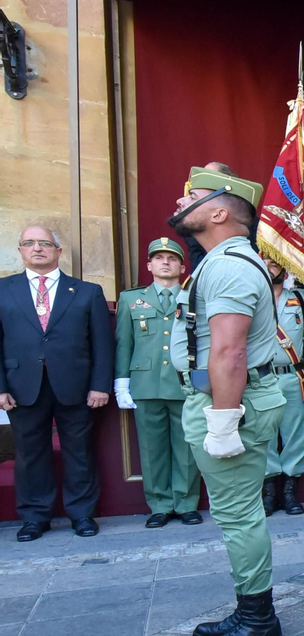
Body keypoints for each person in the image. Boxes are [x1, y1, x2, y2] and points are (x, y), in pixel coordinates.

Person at [167, 165, 287, 636]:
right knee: (236, 514)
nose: (179, 200)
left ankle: (259, 619)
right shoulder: (221, 260)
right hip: (226, 399)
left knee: (239, 515)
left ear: (218, 210)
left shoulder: (231, 265)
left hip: (231, 403)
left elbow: (229, 353)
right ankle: (251, 609)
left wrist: (222, 420)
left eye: (190, 195)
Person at [0, 226, 113, 540]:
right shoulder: (3, 289)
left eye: (45, 243)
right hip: (22, 386)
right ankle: (35, 517)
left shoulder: (87, 292)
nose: (37, 248)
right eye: (29, 243)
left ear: (59, 251)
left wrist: (100, 385)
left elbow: (102, 345)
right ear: (20, 250)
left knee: (79, 452)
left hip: (76, 387)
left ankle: (81, 514)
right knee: (29, 454)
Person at [115, 237, 203, 529]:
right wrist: (121, 383)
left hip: (185, 384)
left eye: (172, 258)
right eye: (159, 258)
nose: (165, 262)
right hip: (147, 383)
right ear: (149, 265)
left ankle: (186, 503)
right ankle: (160, 505)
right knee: (152, 450)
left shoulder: (194, 296)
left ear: (181, 265)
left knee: (187, 448)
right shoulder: (131, 299)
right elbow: (123, 344)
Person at [261, 255, 304, 517]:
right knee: (266, 435)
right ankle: (269, 492)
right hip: (263, 376)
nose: (272, 268)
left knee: (295, 434)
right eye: (267, 263)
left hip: (295, 375)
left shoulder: (301, 298)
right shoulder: (253, 298)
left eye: (276, 263)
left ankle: (290, 492)